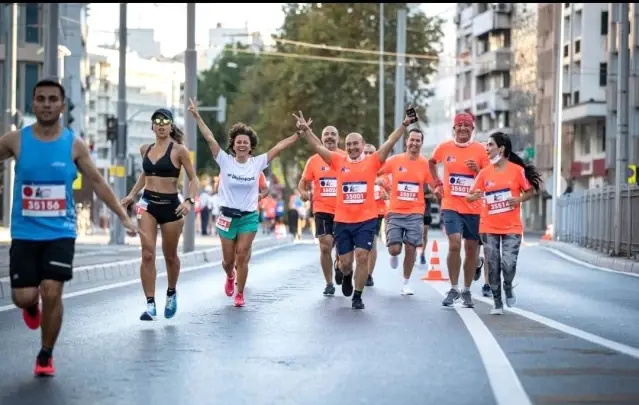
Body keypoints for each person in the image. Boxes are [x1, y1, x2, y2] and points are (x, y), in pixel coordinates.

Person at [0, 79, 139, 376]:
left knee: (53, 290)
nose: (47, 104)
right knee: (23, 297)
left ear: (63, 106)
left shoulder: (73, 144)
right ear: (33, 104)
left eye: (53, 99)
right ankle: (31, 305)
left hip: (60, 232)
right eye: (40, 99)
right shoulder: (16, 140)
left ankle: (46, 354)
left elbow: (99, 183)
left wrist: (123, 216)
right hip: (25, 233)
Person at [295, 109, 413, 309]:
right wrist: (306, 130)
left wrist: (404, 124)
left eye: (355, 144)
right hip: (342, 221)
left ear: (362, 144)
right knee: (346, 263)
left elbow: (390, 142)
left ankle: (358, 296)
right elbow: (317, 145)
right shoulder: (337, 161)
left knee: (362, 255)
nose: (351, 148)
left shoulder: (372, 161)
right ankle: (346, 275)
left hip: (366, 220)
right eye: (348, 145)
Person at [188, 98, 300, 307]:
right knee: (228, 261)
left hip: (248, 217)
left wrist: (299, 133)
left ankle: (239, 293)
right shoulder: (224, 160)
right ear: (233, 145)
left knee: (242, 255)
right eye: (238, 141)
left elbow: (278, 147)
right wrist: (196, 116)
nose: (241, 144)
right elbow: (209, 137)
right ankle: (230, 275)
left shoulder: (257, 163)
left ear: (250, 147)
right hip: (226, 217)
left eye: (245, 142)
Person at [121, 108, 198, 321]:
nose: (162, 125)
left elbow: (194, 179)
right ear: (152, 126)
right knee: (147, 254)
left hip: (171, 207)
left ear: (171, 126)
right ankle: (150, 304)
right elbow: (146, 175)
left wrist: (190, 201)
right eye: (157, 121)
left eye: (166, 121)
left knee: (170, 256)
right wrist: (131, 195)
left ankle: (172, 292)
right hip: (148, 204)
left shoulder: (179, 150)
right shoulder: (145, 149)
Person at [467, 132, 541, 314]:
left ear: (501, 149)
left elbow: (530, 192)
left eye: (490, 145)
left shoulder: (517, 171)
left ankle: (508, 285)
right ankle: (497, 303)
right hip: (488, 226)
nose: (487, 148)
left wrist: (519, 200)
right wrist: (473, 196)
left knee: (508, 265)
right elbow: (469, 195)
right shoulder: (484, 173)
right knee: (493, 264)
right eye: (486, 145)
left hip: (512, 227)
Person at [429, 112, 489, 309]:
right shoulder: (444, 147)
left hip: (474, 207)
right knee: (454, 243)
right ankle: (453, 288)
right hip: (451, 205)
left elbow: (489, 178)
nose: (463, 128)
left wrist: (477, 172)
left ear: (472, 129)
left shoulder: (481, 150)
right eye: (459, 125)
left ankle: (466, 290)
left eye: (467, 125)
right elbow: (431, 162)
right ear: (454, 128)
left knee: (471, 249)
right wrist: (437, 184)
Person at [379, 128, 436, 295]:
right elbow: (376, 173)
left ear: (421, 143)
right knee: (395, 249)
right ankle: (394, 254)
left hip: (415, 212)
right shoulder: (395, 160)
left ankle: (406, 282)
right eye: (412, 139)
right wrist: (381, 181)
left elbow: (434, 185)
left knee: (411, 247)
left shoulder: (425, 164)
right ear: (407, 141)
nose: (414, 143)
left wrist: (437, 192)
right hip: (395, 211)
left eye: (418, 140)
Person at [297, 126, 345, 295]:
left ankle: (341, 266)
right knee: (325, 246)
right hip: (322, 209)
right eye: (326, 134)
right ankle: (329, 283)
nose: (330, 137)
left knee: (343, 250)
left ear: (338, 139)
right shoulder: (313, 161)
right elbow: (303, 182)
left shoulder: (345, 157)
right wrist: (303, 192)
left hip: (344, 210)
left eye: (333, 134)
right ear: (322, 139)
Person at [364, 143, 388, 287]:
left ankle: (368, 275)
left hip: (376, 212)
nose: (367, 155)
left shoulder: (382, 169)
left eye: (370, 153)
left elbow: (389, 185)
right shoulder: (357, 168)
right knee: (359, 246)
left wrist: (385, 189)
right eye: (365, 152)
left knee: (371, 243)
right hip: (357, 211)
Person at [420, 185, 434, 265]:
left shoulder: (427, 187)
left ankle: (422, 253)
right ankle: (413, 252)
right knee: (416, 234)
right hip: (416, 213)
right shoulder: (416, 183)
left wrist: (425, 196)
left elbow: (434, 197)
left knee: (424, 235)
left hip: (426, 214)